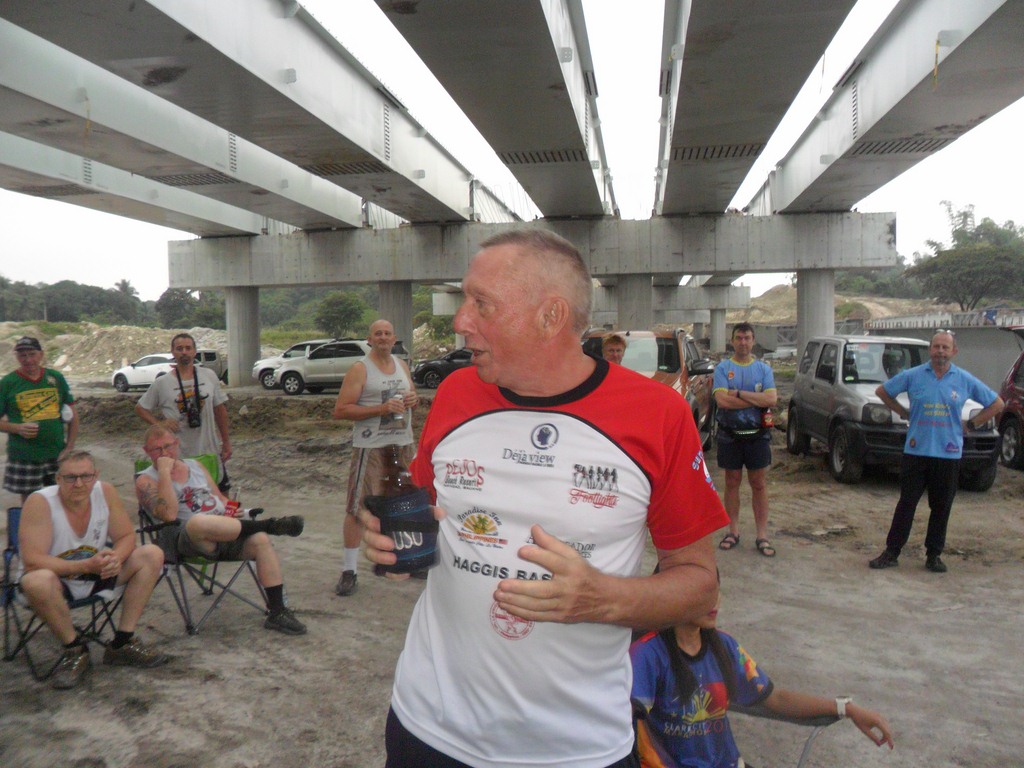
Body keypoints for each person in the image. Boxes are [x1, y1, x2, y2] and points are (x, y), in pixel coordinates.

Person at [360, 229, 729, 768]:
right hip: (428, 728)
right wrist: (397, 544)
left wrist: (604, 599)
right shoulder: (457, 393)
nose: (460, 320)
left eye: (481, 303)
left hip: (577, 749)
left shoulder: (658, 414)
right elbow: (428, 517)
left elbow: (699, 587)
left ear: (551, 316)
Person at [630, 580, 894, 767]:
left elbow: (775, 698)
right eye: (704, 593)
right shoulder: (647, 655)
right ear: (672, 596)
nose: (715, 601)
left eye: (717, 591)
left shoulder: (725, 646)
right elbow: (627, 728)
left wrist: (846, 708)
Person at [17, 450, 169, 690]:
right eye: (70, 477)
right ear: (58, 478)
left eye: (86, 476)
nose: (79, 484)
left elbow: (126, 536)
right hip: (58, 580)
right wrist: (84, 565)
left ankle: (122, 642)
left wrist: (116, 558)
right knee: (35, 580)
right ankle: (75, 650)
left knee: (152, 553)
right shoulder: (40, 502)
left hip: (97, 572)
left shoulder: (105, 492)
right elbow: (32, 561)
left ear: (95, 476)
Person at [134, 425, 307, 635]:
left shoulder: (195, 466)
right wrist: (164, 473)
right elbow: (168, 514)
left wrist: (237, 510)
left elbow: (222, 500)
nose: (164, 453)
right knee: (198, 522)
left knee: (260, 539)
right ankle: (270, 525)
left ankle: (278, 612)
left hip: (224, 531)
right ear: (146, 451)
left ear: (177, 444)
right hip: (187, 540)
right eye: (157, 449)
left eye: (168, 446)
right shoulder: (145, 479)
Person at [868, 330, 1003, 573]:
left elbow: (997, 404)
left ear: (954, 351)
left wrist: (972, 424)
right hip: (916, 452)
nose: (940, 351)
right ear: (930, 350)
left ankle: (933, 555)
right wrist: (902, 411)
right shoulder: (913, 375)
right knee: (906, 504)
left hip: (948, 454)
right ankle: (891, 552)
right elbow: (882, 391)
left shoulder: (964, 379)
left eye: (945, 347)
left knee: (941, 507)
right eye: (936, 346)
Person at [331, 319, 419, 597]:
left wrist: (413, 400)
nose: (382, 337)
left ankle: (406, 558)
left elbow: (412, 395)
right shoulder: (360, 369)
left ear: (394, 339)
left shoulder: (402, 365)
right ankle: (349, 571)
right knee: (358, 508)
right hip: (371, 448)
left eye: (387, 333)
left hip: (402, 444)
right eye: (377, 334)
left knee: (406, 504)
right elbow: (341, 410)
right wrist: (381, 409)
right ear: (369, 340)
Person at [135, 333, 232, 492]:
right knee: (188, 498)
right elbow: (140, 408)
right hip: (179, 455)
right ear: (172, 352)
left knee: (221, 494)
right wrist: (159, 424)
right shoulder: (162, 383)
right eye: (179, 349)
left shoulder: (209, 376)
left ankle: (229, 510)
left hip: (209, 451)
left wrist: (226, 442)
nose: (184, 352)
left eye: (188, 348)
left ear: (194, 351)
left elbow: (219, 410)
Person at [712, 324, 777, 557]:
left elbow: (771, 399)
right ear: (732, 341)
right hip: (729, 435)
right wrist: (756, 399)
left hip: (757, 436)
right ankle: (733, 531)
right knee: (732, 482)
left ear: (753, 340)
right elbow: (722, 401)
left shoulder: (763, 369)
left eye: (747, 338)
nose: (743, 342)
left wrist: (738, 393)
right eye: (739, 338)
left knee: (758, 483)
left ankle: (762, 535)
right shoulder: (723, 368)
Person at [1, 336, 79, 503]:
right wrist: (17, 428)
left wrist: (69, 447)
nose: (28, 360)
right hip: (24, 456)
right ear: (16, 357)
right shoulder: (8, 383)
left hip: (56, 454)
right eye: (23, 356)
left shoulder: (55, 378)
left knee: (62, 499)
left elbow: (73, 415)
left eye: (32, 354)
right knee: (31, 502)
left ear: (41, 354)